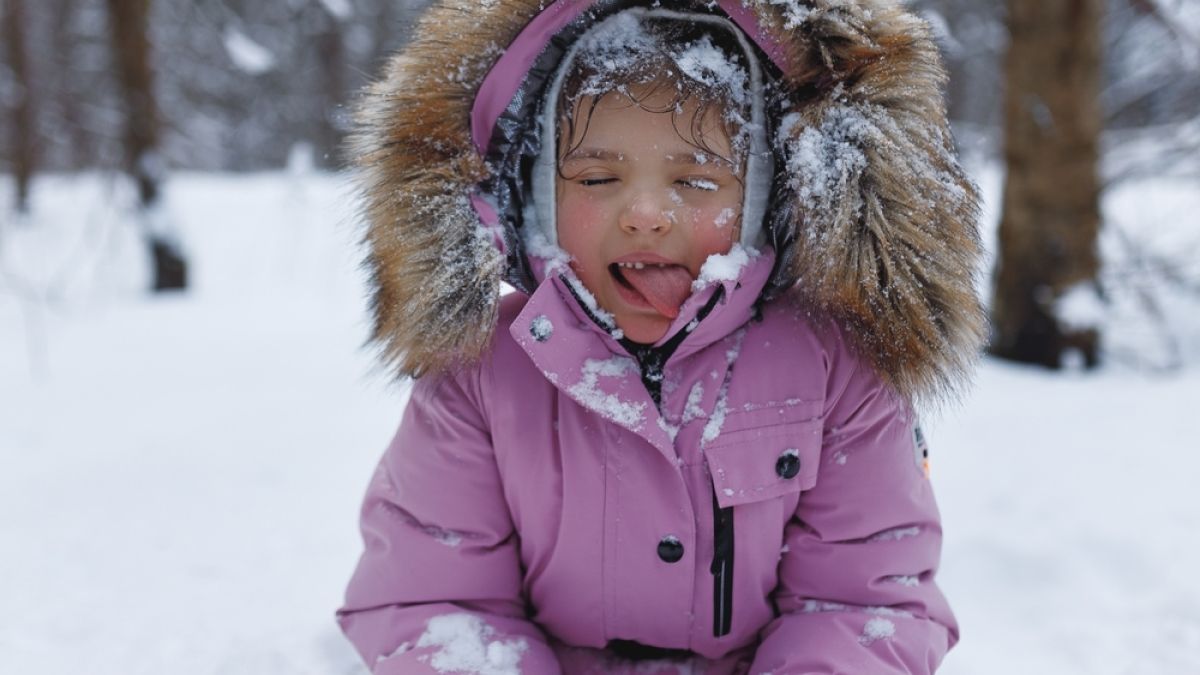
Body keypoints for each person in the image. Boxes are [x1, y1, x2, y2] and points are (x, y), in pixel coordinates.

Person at [337, 1, 985, 673]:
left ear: (767, 197)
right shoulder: (480, 371)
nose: (645, 214)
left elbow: (861, 604)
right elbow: (437, 603)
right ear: (535, 196)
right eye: (596, 178)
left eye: (696, 180)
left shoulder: (836, 369)